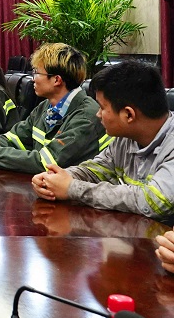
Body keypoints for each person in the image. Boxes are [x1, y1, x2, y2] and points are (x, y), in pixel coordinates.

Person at [33, 60, 174, 224]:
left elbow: (152, 201)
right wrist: (54, 180)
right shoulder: (125, 139)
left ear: (128, 115)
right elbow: (96, 170)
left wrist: (72, 188)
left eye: (102, 107)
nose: (98, 114)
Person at [0, 43, 108, 174]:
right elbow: (17, 138)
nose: (33, 79)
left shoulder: (86, 117)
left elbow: (47, 163)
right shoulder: (46, 106)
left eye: (36, 72)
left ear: (57, 80)